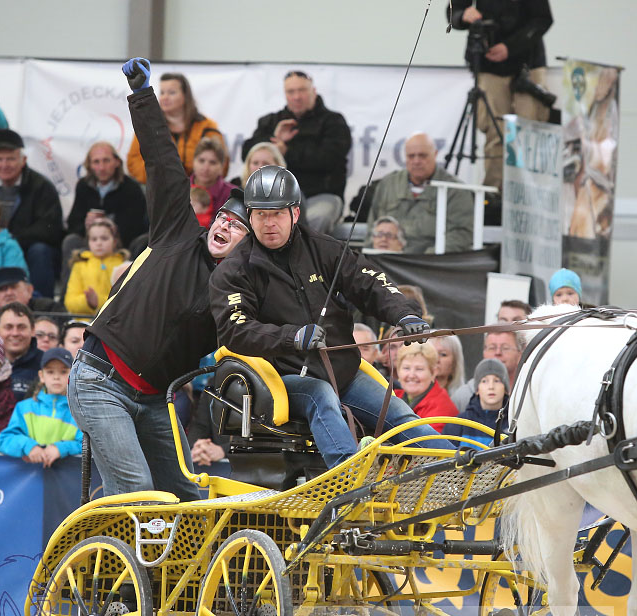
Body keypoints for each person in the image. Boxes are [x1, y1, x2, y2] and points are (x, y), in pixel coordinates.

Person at [68, 58, 249, 501]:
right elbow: (164, 162)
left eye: (237, 227)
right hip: (100, 380)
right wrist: (142, 95)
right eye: (223, 217)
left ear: (249, 247)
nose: (225, 226)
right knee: (138, 490)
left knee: (188, 496)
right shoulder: (178, 230)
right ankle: (107, 558)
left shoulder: (239, 295)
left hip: (152, 398)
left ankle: (134, 550)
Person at [210, 163, 451, 473]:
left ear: (294, 214)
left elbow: (369, 282)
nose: (269, 223)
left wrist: (404, 314)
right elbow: (235, 330)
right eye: (261, 215)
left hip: (343, 373)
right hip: (280, 380)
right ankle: (349, 481)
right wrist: (292, 337)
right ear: (251, 215)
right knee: (319, 394)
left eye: (277, 214)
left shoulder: (323, 249)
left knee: (400, 416)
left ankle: (459, 470)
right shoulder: (233, 271)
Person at [450, 0, 553, 189]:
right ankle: (494, 194)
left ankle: (531, 194)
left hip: (528, 62)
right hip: (488, 62)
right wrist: (463, 16)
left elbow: (543, 19)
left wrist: (510, 47)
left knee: (530, 130)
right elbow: (452, 12)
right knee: (495, 130)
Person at [241, 71, 351, 234]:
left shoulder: (334, 122)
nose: (297, 96)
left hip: (320, 195)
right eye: (291, 92)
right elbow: (248, 153)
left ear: (313, 91)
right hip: (273, 198)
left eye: (302, 90)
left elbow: (330, 158)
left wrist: (287, 151)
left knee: (317, 219)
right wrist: (273, 140)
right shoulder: (270, 122)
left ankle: (309, 258)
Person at [0, 129, 63, 297]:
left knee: (40, 251)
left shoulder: (42, 187)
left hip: (26, 247)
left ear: (23, 160)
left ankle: (40, 305)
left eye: (10, 159)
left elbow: (50, 229)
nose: (4, 165)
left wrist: (11, 239)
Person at [366, 133, 473, 254]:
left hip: (429, 265)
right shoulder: (388, 185)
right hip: (388, 262)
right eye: (411, 156)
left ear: (435, 154)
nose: (416, 161)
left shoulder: (455, 190)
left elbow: (461, 235)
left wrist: (428, 258)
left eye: (423, 156)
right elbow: (372, 230)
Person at [63, 141, 147, 275]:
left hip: (122, 244)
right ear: (89, 165)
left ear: (117, 162)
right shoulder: (83, 186)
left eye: (106, 161)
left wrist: (106, 226)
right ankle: (68, 294)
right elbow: (73, 224)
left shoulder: (131, 188)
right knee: (71, 241)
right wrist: (86, 224)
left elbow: (135, 228)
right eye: (96, 162)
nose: (101, 167)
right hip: (91, 242)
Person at [126, 71, 225, 184]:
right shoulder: (148, 126)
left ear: (185, 96)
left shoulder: (207, 127)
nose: (165, 97)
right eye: (162, 92)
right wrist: (160, 174)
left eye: (172, 93)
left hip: (199, 192)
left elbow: (221, 162)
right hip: (158, 189)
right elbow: (133, 162)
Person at [0, 347, 81, 466]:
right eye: (50, 371)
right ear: (41, 376)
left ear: (72, 374)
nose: (56, 377)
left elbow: (89, 445)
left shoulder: (80, 412)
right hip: (29, 481)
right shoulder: (24, 408)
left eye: (63, 372)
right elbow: (5, 440)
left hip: (67, 482)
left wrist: (61, 448)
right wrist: (29, 446)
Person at [64, 218, 129, 316]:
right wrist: (88, 303)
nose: (99, 243)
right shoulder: (79, 264)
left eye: (104, 238)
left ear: (115, 241)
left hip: (113, 322)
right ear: (88, 242)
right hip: (83, 321)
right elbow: (69, 302)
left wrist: (97, 301)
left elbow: (124, 301)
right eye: (94, 239)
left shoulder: (123, 266)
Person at [445, 358, 510, 449]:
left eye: (497, 381)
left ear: (506, 389)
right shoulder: (457, 425)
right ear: (477, 389)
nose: (491, 387)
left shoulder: (513, 425)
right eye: (484, 381)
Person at [393, 342, 458, 432]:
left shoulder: (441, 409)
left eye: (419, 369)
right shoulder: (393, 397)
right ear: (398, 371)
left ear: (433, 372)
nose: (411, 375)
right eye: (406, 368)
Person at [451, 330, 523, 411]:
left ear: (520, 355)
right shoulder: (463, 396)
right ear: (483, 353)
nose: (498, 352)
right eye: (492, 348)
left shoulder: (528, 392)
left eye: (505, 348)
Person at [0, 266, 64, 332]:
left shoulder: (50, 309)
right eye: (2, 289)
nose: (8, 293)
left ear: (29, 290)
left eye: (13, 287)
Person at [0, 301, 42, 400]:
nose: (15, 333)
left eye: (21, 327)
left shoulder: (45, 365)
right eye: (8, 327)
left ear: (33, 329)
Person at [191, 137, 232, 214]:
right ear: (193, 162)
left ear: (222, 166)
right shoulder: (179, 189)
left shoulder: (232, 195)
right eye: (201, 160)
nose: (205, 168)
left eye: (212, 162)